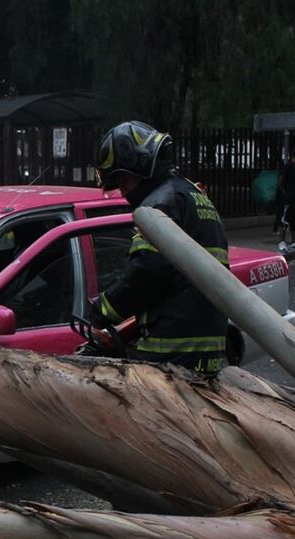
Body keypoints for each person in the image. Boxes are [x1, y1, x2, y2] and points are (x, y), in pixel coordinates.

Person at [90, 120, 229, 377]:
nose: (122, 191)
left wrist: (103, 309)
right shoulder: (191, 195)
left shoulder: (159, 206)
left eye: (122, 180)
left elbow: (147, 272)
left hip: (171, 351)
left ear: (141, 166)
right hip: (206, 351)